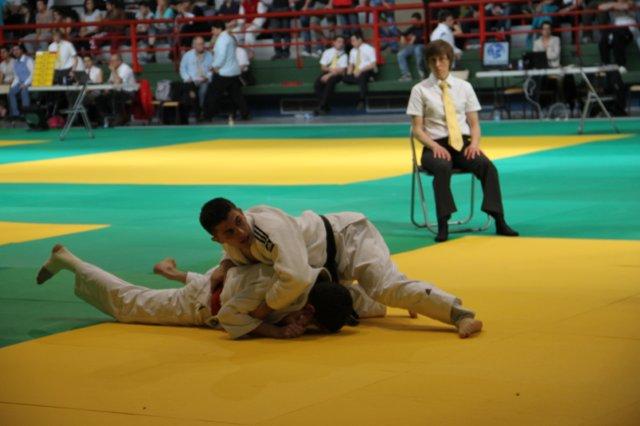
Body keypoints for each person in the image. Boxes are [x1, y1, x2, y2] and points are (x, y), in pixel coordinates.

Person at [198, 198, 483, 338]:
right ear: (218, 239)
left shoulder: (267, 229)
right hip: (327, 262)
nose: (239, 232)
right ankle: (409, 296)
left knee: (385, 288)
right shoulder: (234, 245)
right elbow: (239, 257)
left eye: (238, 221)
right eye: (229, 232)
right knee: (356, 298)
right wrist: (224, 265)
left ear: (241, 212)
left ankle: (458, 314)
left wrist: (264, 310)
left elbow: (296, 278)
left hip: (349, 239)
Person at [35, 244, 355, 339]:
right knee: (128, 304)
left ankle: (172, 271)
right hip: (199, 305)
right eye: (313, 325)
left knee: (207, 283)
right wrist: (276, 331)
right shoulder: (280, 292)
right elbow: (229, 316)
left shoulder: (306, 275)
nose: (309, 329)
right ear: (309, 309)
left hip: (217, 284)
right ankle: (69, 261)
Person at [406, 40, 519, 243]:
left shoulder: (464, 87)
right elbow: (417, 130)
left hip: (463, 144)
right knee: (442, 167)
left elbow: (474, 124)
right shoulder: (419, 90)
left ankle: (499, 220)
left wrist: (474, 144)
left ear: (449, 60)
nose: (438, 64)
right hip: (434, 146)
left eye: (442, 59)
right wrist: (434, 146)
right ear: (428, 63)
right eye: (433, 60)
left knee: (488, 167)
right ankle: (443, 223)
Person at [204, 20, 250, 120]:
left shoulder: (222, 39)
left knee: (212, 94)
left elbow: (221, 56)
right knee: (237, 95)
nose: (212, 31)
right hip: (233, 71)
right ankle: (245, 114)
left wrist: (214, 67)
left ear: (219, 29)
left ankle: (207, 115)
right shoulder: (229, 37)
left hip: (224, 73)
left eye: (213, 29)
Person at [95, 53, 137, 126]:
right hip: (117, 91)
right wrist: (106, 89)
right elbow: (110, 81)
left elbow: (118, 82)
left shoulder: (126, 68)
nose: (111, 63)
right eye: (110, 61)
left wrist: (113, 70)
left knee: (115, 95)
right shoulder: (115, 69)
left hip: (129, 92)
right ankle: (105, 118)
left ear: (119, 61)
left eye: (113, 61)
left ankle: (120, 117)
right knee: (100, 98)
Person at [341, 31, 377, 110]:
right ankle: (368, 79)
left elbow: (373, 65)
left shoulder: (369, 49)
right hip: (356, 73)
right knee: (344, 78)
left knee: (362, 76)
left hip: (367, 70)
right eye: (351, 41)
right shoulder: (352, 51)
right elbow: (351, 65)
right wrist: (349, 75)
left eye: (353, 40)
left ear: (360, 40)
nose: (352, 43)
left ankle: (362, 100)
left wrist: (360, 70)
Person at [313, 34, 348, 115]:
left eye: (342, 42)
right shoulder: (327, 52)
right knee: (317, 83)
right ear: (334, 42)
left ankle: (321, 106)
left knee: (330, 82)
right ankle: (325, 106)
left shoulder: (345, 55)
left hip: (338, 75)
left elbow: (342, 70)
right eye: (339, 42)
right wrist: (330, 70)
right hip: (328, 72)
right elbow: (323, 67)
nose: (341, 44)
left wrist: (329, 75)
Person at [180, 35, 213, 116]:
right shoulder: (187, 55)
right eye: (199, 44)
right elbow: (182, 69)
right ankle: (195, 112)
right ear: (194, 45)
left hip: (204, 80)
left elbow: (212, 70)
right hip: (191, 80)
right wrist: (187, 78)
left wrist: (207, 77)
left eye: (202, 43)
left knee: (204, 89)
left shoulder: (209, 55)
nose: (201, 46)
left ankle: (201, 109)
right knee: (189, 89)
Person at [598, 0, 637, 69]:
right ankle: (605, 63)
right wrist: (614, 4)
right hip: (616, 28)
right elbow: (601, 7)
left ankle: (621, 64)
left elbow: (626, 6)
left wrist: (613, 5)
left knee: (617, 36)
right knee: (604, 37)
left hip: (629, 29)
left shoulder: (630, 2)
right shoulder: (613, 3)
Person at [397, 12, 425, 82]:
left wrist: (415, 37)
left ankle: (421, 73)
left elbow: (420, 36)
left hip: (422, 45)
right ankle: (406, 75)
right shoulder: (413, 27)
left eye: (414, 21)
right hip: (413, 46)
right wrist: (402, 37)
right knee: (400, 54)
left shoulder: (424, 27)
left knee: (417, 50)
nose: (413, 22)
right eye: (412, 21)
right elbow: (404, 33)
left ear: (419, 20)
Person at [8, 44, 33, 119]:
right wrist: (12, 86)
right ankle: (15, 114)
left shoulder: (28, 60)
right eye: (14, 50)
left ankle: (26, 114)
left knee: (23, 91)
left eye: (17, 49)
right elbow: (16, 77)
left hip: (30, 82)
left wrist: (25, 84)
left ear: (21, 50)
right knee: (11, 92)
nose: (15, 52)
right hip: (20, 83)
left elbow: (33, 73)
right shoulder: (15, 62)